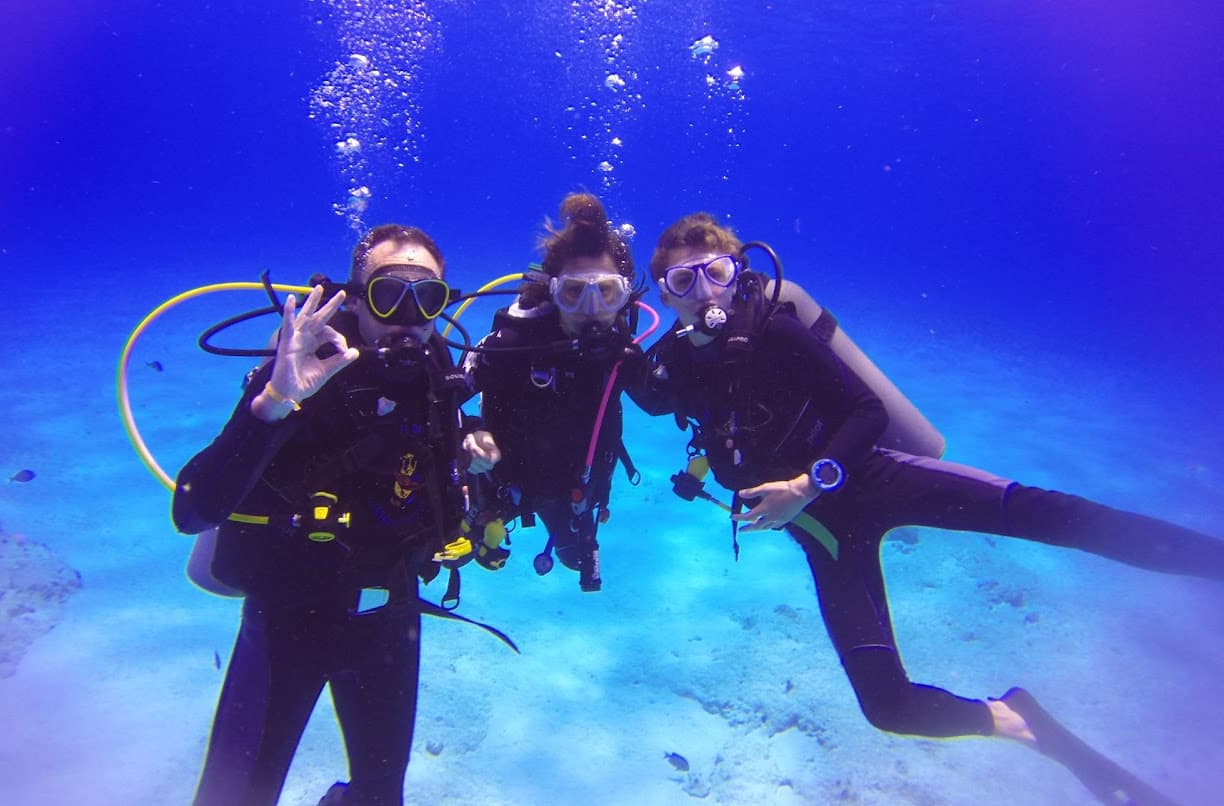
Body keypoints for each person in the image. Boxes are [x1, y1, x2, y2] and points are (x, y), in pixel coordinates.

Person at [626, 212, 1224, 805]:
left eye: (717, 271)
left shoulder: (778, 333)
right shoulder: (677, 361)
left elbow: (868, 413)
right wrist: (603, 326)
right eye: (683, 281)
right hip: (825, 535)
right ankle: (1015, 721)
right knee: (888, 706)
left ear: (739, 272)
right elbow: (648, 396)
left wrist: (807, 485)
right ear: (665, 294)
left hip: (877, 479)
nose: (705, 291)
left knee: (1058, 516)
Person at [172, 224, 480, 806]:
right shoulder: (298, 371)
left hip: (388, 611)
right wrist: (274, 401)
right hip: (287, 615)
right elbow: (194, 509)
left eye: (428, 298)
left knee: (380, 797)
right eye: (390, 295)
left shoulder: (438, 378)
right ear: (358, 298)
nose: (408, 317)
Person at [461, 192, 641, 592]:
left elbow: (667, 400)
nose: (592, 309)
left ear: (625, 295)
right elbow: (444, 393)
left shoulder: (624, 352)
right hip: (507, 481)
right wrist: (470, 431)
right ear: (552, 293)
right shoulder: (512, 344)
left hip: (579, 487)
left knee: (573, 550)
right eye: (574, 292)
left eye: (607, 293)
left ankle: (562, 533)